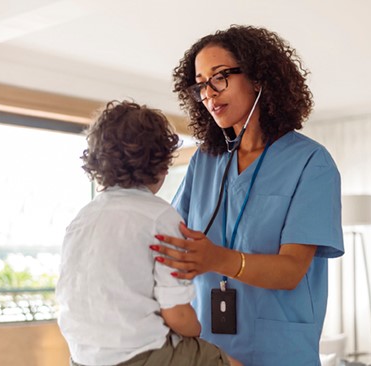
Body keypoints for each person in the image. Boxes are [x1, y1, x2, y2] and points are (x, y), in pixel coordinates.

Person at [150, 25, 344, 365]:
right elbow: (173, 241)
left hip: (278, 350)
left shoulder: (311, 163)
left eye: (219, 77)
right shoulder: (205, 161)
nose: (208, 93)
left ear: (258, 78)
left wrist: (215, 259)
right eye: (200, 84)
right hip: (208, 349)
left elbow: (291, 271)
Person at [56, 100, 242, 366]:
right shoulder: (160, 217)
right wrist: (197, 332)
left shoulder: (81, 220)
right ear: (162, 165)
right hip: (141, 356)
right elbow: (177, 315)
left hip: (83, 358)